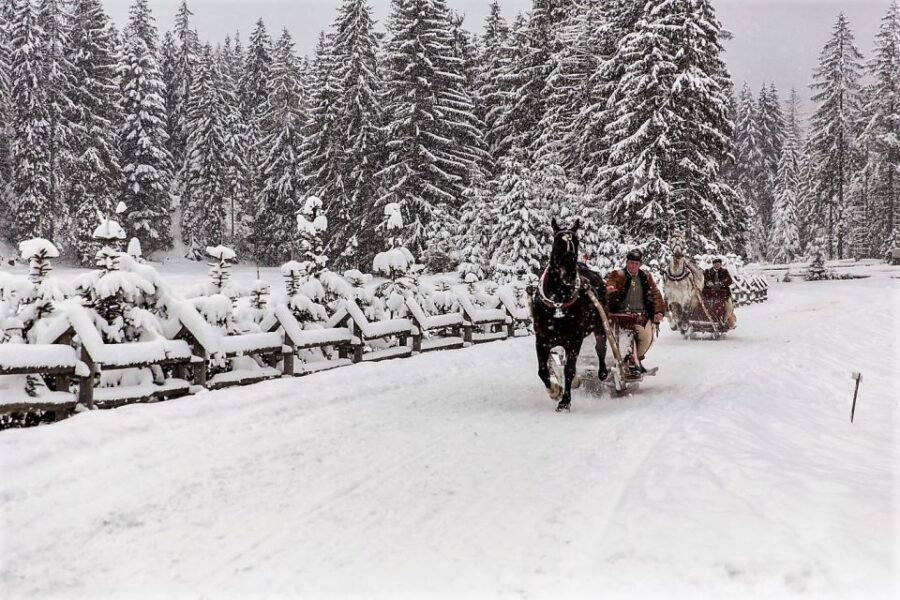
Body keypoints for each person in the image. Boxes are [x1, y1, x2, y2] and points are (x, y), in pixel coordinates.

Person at [605, 248, 666, 373]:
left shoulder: (646, 277)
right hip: (619, 316)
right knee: (616, 340)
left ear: (640, 265)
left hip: (641, 317)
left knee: (646, 338)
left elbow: (655, 294)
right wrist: (610, 289)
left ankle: (634, 359)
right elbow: (610, 284)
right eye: (631, 263)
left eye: (636, 264)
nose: (633, 266)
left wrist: (659, 311)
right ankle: (621, 361)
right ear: (627, 262)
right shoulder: (618, 274)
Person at [703, 258, 736, 329]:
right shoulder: (707, 271)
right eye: (716, 264)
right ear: (713, 264)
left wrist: (722, 283)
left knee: (729, 308)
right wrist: (708, 283)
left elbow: (729, 280)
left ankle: (723, 321)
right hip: (708, 294)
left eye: (719, 264)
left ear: (720, 264)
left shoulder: (724, 271)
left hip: (724, 294)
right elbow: (704, 280)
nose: (717, 265)